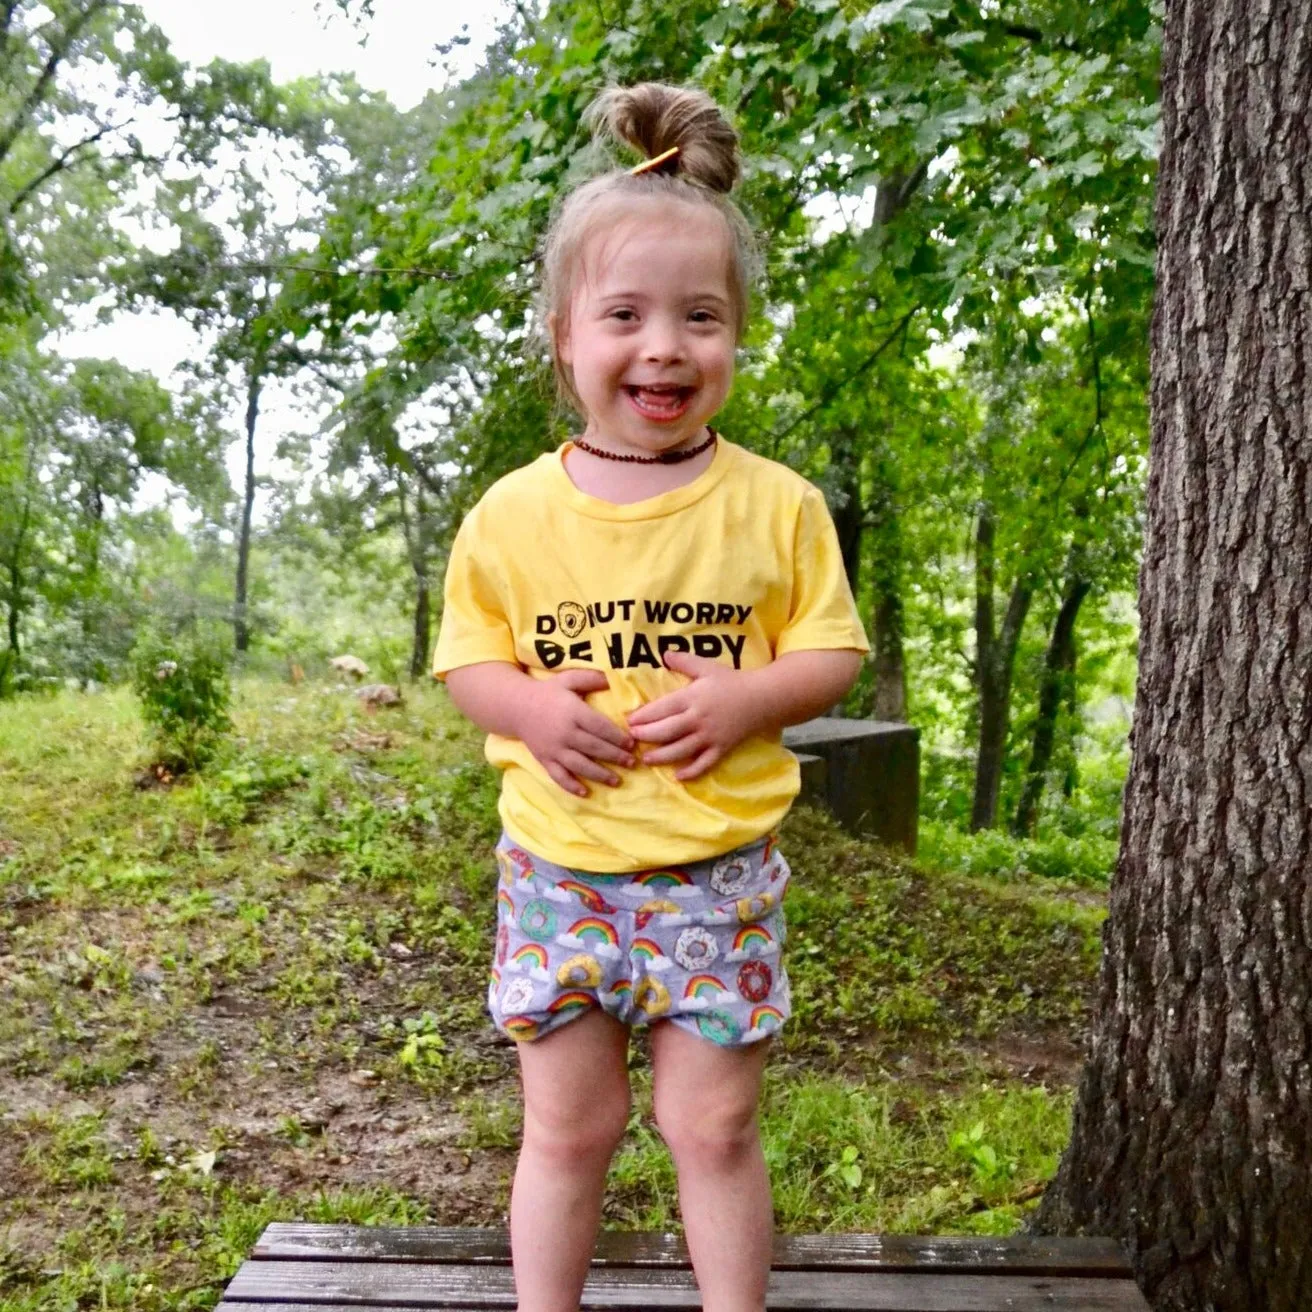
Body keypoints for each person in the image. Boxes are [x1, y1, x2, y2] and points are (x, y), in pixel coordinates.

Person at [432, 82, 867, 1312]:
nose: (663, 345)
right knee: (568, 1130)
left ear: (735, 336)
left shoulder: (773, 505)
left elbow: (832, 654)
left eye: (700, 315)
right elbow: (468, 660)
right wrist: (525, 711)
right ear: (563, 335)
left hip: (715, 872)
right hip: (558, 867)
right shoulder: (514, 513)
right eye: (623, 314)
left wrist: (746, 703)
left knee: (713, 1127)